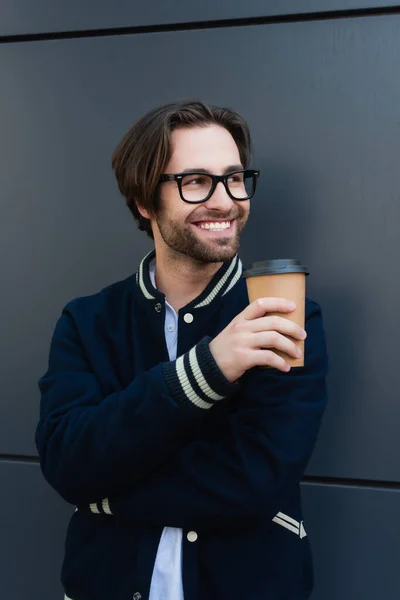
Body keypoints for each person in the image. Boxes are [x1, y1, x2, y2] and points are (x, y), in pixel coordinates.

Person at [36, 99, 328, 600]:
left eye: (235, 178)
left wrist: (105, 496)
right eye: (196, 181)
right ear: (145, 201)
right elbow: (69, 461)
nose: (226, 200)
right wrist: (208, 369)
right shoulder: (87, 321)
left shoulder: (284, 314)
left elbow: (254, 484)